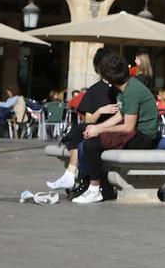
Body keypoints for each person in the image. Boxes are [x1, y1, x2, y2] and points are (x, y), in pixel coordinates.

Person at [72, 53, 162, 204]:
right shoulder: (128, 87)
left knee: (91, 144)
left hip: (143, 137)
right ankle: (92, 183)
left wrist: (99, 131)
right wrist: (96, 127)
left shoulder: (131, 91)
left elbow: (128, 127)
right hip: (137, 133)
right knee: (85, 132)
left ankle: (94, 188)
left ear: (109, 79)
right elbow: (120, 115)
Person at [47, 48, 119, 192]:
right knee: (79, 131)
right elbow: (88, 119)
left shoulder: (120, 88)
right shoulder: (94, 90)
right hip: (94, 129)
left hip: (113, 131)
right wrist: (100, 111)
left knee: (79, 133)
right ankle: (71, 175)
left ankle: (71, 175)